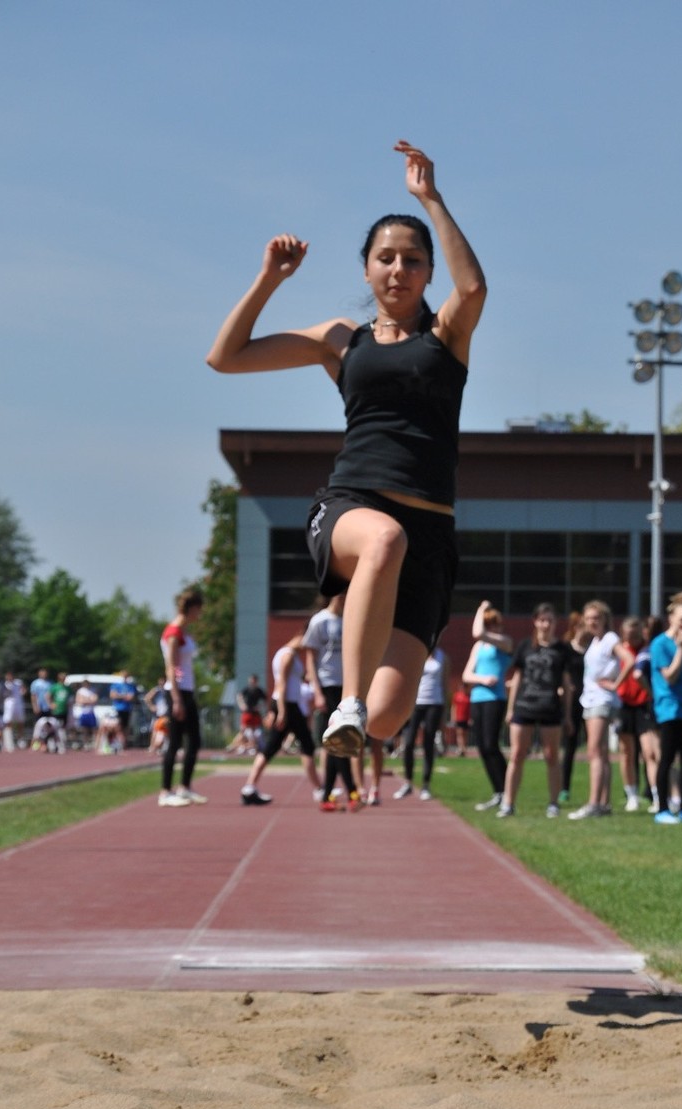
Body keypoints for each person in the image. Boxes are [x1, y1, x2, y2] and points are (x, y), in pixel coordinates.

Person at [207, 140, 486, 759]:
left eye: (412, 260)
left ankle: (364, 709)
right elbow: (225, 357)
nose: (398, 270)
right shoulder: (342, 340)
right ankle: (347, 703)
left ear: (428, 272)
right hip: (352, 505)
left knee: (388, 721)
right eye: (385, 258)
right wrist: (268, 280)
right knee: (384, 538)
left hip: (432, 534)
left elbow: (472, 289)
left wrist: (430, 199)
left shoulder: (446, 337)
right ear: (366, 269)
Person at [497, 603, 571, 820]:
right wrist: (510, 709)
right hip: (524, 706)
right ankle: (508, 803)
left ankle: (554, 803)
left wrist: (567, 715)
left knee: (551, 756)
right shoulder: (525, 646)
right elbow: (517, 677)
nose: (546, 624)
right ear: (535, 621)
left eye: (550, 620)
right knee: (517, 754)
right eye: (542, 620)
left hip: (550, 707)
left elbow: (566, 684)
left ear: (555, 623)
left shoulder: (562, 650)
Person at [568, 601, 634, 821]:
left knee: (594, 751)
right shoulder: (595, 641)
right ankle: (604, 803)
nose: (591, 622)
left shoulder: (609, 639)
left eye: (596, 618)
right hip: (591, 699)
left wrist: (615, 685)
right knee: (602, 753)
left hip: (601, 700)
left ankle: (594, 803)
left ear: (605, 619)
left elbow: (629, 659)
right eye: (588, 618)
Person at [240, 635, 323, 807]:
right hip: (288, 707)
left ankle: (249, 787)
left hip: (287, 706)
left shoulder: (283, 653)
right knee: (306, 746)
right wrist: (281, 712)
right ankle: (320, 789)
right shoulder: (288, 655)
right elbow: (282, 684)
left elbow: (281, 684)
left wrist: (273, 709)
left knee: (273, 747)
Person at [649, 595, 682, 824]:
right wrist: (679, 649)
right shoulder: (661, 644)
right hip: (671, 709)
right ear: (671, 618)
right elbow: (669, 677)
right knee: (667, 759)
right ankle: (662, 809)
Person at [303, 593, 358, 808]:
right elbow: (310, 658)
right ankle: (350, 791)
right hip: (327, 685)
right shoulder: (320, 621)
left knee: (339, 741)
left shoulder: (350, 618)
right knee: (338, 738)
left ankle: (328, 794)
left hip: (347, 684)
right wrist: (317, 692)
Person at [463, 600, 513, 812]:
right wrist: (482, 680)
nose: (491, 628)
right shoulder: (478, 647)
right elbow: (467, 674)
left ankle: (507, 791)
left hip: (496, 698)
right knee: (483, 747)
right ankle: (497, 792)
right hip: (478, 697)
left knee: (492, 744)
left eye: (494, 624)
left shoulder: (504, 642)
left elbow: (477, 632)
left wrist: (481, 609)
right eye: (487, 623)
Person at [159, 587, 206, 808]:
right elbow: (171, 668)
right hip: (177, 692)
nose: (201, 615)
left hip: (187, 691)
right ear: (192, 608)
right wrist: (176, 699)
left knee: (194, 741)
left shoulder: (185, 632)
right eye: (199, 610)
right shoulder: (174, 633)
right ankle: (165, 791)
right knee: (175, 742)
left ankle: (185, 787)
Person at [394, 645, 449, 801]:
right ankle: (408, 783)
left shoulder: (442, 657)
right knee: (409, 742)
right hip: (416, 704)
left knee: (428, 744)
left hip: (434, 703)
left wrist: (444, 714)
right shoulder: (416, 653)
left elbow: (444, 684)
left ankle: (426, 785)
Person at [616, 617, 660, 813]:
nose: (632, 638)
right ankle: (631, 795)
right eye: (628, 635)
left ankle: (657, 794)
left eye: (635, 635)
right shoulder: (619, 650)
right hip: (624, 704)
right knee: (626, 752)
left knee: (649, 752)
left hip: (644, 704)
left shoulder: (648, 651)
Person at [558, 611, 589, 804]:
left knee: (595, 747)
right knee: (569, 746)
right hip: (572, 702)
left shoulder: (593, 648)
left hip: (591, 701)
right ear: (576, 627)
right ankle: (564, 788)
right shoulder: (566, 648)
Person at [110, 671, 138, 750]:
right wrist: (123, 696)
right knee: (118, 726)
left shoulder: (130, 686)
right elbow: (113, 695)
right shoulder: (116, 685)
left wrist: (120, 696)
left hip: (127, 709)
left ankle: (124, 742)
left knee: (126, 726)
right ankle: (120, 742)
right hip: (118, 708)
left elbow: (131, 697)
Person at [145, 676, 171, 754]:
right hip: (158, 713)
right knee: (155, 729)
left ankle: (165, 746)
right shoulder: (157, 690)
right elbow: (147, 698)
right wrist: (151, 706)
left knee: (167, 730)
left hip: (167, 713)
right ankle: (152, 746)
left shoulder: (168, 690)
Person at [2, 672, 27, 751]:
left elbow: (24, 689)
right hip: (9, 705)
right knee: (8, 722)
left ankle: (21, 740)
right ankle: (9, 741)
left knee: (20, 722)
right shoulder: (5, 684)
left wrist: (23, 691)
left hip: (18, 704)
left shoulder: (18, 682)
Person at [72, 679, 98, 749]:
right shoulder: (80, 691)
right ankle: (85, 743)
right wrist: (89, 700)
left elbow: (95, 699)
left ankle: (95, 742)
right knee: (84, 729)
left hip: (91, 712)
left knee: (94, 728)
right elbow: (79, 701)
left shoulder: (93, 690)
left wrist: (86, 700)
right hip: (83, 712)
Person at [450, 681, 471, 756]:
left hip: (466, 718)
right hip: (459, 718)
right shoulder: (456, 696)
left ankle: (464, 748)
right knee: (459, 733)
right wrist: (453, 717)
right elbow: (453, 707)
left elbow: (471, 709)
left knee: (465, 733)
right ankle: (461, 748)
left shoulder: (469, 696)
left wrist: (470, 718)